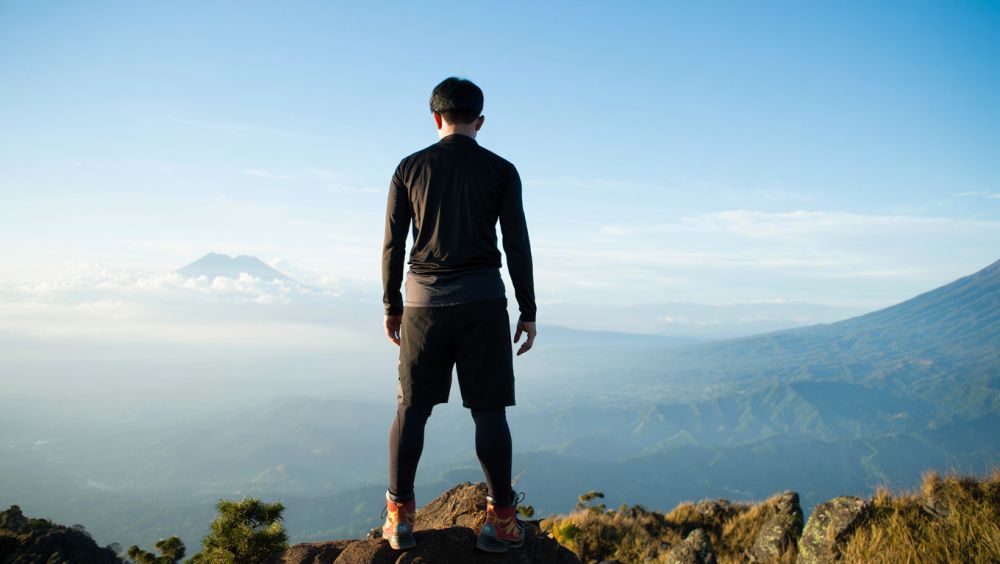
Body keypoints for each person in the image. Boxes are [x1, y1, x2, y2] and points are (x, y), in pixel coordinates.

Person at [380, 76, 538, 553]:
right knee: (489, 410)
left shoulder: (409, 168)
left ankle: (399, 519)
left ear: (436, 118)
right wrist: (528, 309)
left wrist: (392, 306)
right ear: (480, 121)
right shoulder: (502, 170)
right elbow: (517, 242)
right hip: (484, 304)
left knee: (412, 408)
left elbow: (393, 245)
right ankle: (502, 521)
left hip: (423, 306)